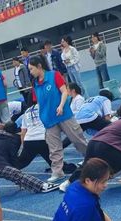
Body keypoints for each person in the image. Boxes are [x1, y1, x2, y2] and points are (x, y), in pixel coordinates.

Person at [27, 56, 88, 184]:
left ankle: (92, 158)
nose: (30, 72)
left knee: (77, 139)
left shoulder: (54, 75)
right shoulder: (35, 84)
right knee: (54, 148)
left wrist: (60, 106)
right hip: (48, 119)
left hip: (63, 115)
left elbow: (64, 92)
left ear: (39, 66)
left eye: (31, 69)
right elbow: (38, 102)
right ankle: (57, 172)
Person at [0, 122, 58, 193]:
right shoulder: (11, 139)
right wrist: (17, 172)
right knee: (17, 174)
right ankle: (42, 186)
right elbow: (13, 158)